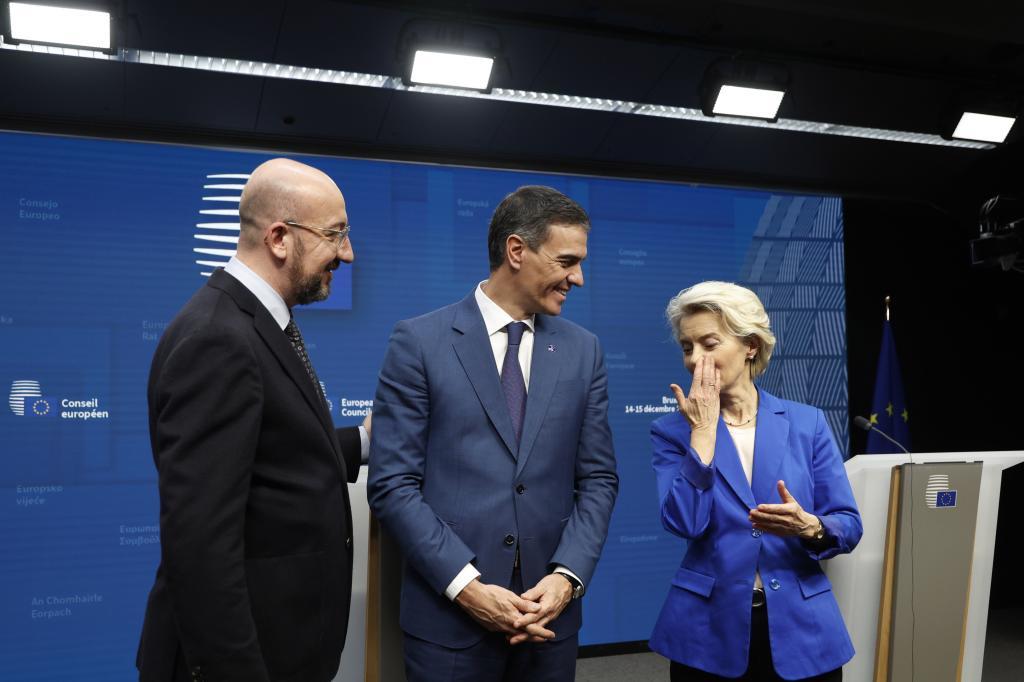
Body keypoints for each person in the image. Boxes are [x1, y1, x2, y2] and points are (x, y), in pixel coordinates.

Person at [367, 185, 618, 682]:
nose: (579, 278)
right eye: (567, 260)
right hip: (450, 626)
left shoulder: (583, 351)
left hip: (549, 623)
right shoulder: (419, 342)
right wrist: (467, 587)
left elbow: (599, 481)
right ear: (517, 251)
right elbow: (392, 485)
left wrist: (566, 579)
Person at [137, 158, 370, 682]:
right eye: (336, 235)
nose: (348, 253)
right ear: (280, 238)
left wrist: (362, 440)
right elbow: (200, 546)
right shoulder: (220, 338)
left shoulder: (254, 320)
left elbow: (272, 452)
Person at [649, 281, 861, 681]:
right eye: (686, 347)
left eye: (709, 343)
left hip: (802, 629)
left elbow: (848, 523)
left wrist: (812, 527)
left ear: (750, 345)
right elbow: (684, 523)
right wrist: (703, 433)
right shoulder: (671, 431)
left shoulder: (807, 423)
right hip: (708, 633)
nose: (695, 359)